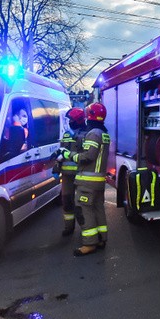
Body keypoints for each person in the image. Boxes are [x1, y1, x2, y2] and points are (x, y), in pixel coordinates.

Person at [62, 102, 110, 257]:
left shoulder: (93, 133)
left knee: (83, 209)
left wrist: (69, 155)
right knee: (98, 208)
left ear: (90, 116)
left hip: (87, 181)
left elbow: (88, 156)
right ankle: (101, 238)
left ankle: (89, 244)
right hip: (98, 181)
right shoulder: (103, 132)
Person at [56, 107, 86, 236]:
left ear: (78, 120)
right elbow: (62, 151)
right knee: (67, 200)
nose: (69, 122)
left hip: (81, 174)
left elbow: (85, 154)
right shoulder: (67, 134)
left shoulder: (87, 134)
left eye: (71, 119)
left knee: (81, 204)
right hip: (67, 176)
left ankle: (85, 228)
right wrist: (57, 164)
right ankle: (69, 227)